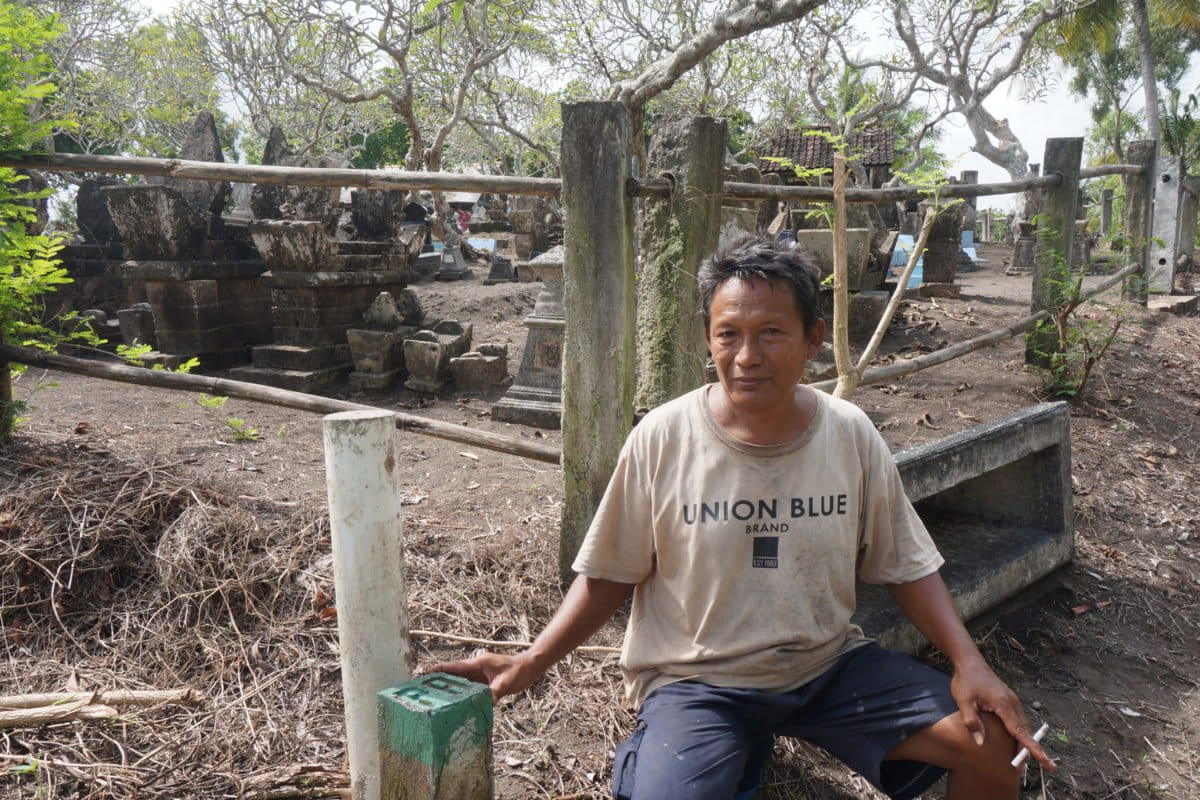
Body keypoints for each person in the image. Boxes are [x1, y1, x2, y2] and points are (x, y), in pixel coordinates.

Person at [430, 236, 1055, 799]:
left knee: (992, 746)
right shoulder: (663, 437)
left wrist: (972, 663)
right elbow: (609, 574)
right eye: (728, 334)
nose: (747, 355)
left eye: (772, 333)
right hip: (699, 681)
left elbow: (906, 566)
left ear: (813, 339)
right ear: (708, 338)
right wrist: (532, 661)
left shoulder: (850, 435)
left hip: (826, 666)